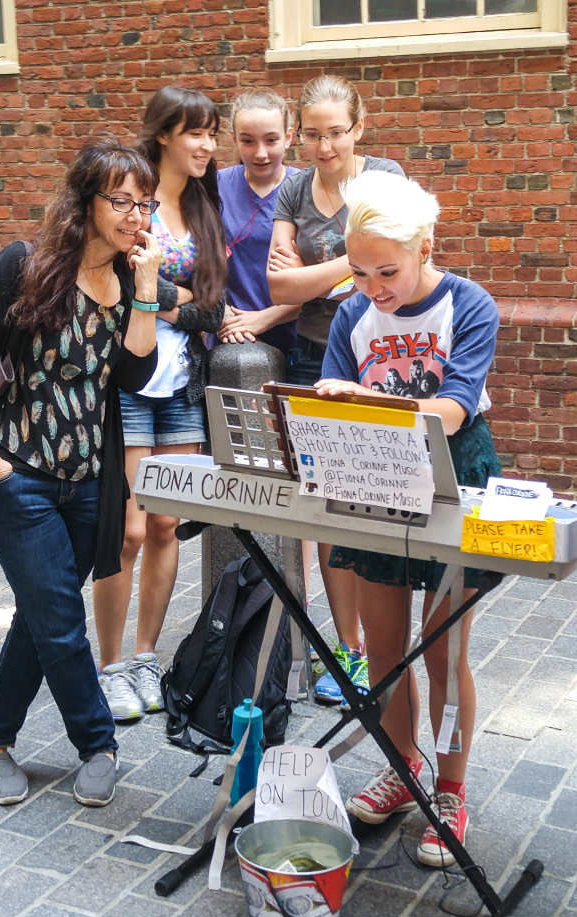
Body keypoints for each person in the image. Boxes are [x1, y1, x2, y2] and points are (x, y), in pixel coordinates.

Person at [0, 137, 161, 807]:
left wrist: (151, 286)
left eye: (144, 201)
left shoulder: (129, 279)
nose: (136, 213)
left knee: (40, 615)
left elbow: (135, 372)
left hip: (88, 483)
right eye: (121, 200)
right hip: (20, 475)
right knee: (61, 618)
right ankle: (98, 742)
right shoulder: (24, 263)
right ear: (86, 201)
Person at [316, 170, 502, 866]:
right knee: (385, 651)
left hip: (456, 475)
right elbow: (328, 404)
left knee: (446, 651)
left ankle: (448, 791)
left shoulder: (469, 303)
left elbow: (454, 409)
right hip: (375, 475)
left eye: (386, 270)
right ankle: (404, 770)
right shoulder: (351, 315)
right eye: (359, 271)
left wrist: (365, 402)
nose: (373, 287)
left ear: (426, 245)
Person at [267, 75, 406, 707]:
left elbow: (394, 265)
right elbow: (281, 292)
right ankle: (346, 648)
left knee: (373, 501)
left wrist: (328, 272)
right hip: (309, 358)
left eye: (336, 132)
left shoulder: (386, 179)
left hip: (374, 357)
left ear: (359, 128)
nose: (325, 147)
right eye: (314, 134)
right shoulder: (295, 187)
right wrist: (350, 267)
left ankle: (385, 646)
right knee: (324, 507)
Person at [92, 86, 227, 722]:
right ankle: (109, 665)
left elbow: (212, 307)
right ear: (165, 134)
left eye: (211, 134)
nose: (206, 145)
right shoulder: (135, 196)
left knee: (169, 521)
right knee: (129, 528)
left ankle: (147, 656)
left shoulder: (203, 204)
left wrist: (166, 298)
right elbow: (116, 280)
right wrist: (171, 303)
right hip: (129, 382)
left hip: (183, 386)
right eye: (195, 133)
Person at [215, 90, 300, 354]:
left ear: (288, 137)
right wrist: (223, 314)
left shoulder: (308, 189)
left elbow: (323, 279)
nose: (260, 153)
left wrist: (266, 318)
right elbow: (199, 260)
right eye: (248, 141)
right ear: (234, 139)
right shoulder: (216, 186)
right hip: (232, 339)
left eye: (271, 140)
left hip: (296, 340)